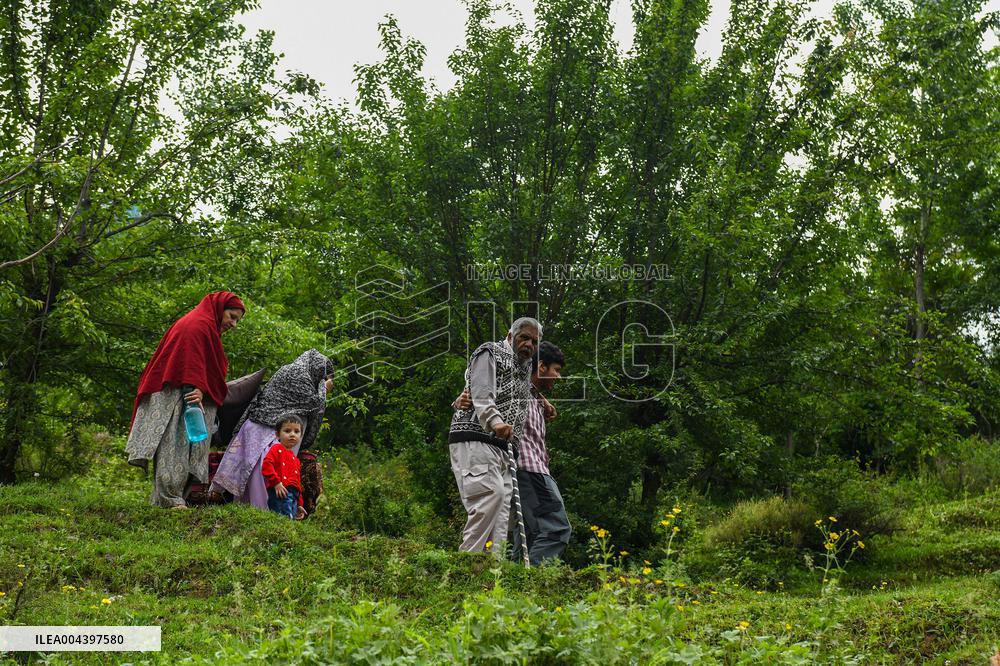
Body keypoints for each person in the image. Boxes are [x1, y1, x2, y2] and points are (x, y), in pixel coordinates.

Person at [126, 291, 246, 508]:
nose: (234, 324)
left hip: (187, 392)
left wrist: (202, 387)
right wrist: (197, 388)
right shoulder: (197, 325)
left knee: (185, 446)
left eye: (237, 320)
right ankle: (171, 499)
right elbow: (189, 361)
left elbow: (202, 362)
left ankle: (169, 499)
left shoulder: (205, 327)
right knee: (174, 446)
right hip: (178, 393)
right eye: (232, 317)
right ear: (220, 309)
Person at [455, 341, 569, 565]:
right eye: (556, 370)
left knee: (528, 534)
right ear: (542, 366)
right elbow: (481, 391)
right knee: (556, 529)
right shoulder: (513, 386)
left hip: (528, 470)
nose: (558, 376)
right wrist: (460, 400)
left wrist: (542, 401)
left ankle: (515, 579)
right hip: (529, 470)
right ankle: (534, 578)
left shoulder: (534, 397)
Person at [448, 317, 539, 553]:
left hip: (504, 449)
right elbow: (481, 391)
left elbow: (519, 389)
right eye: (524, 338)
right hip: (476, 437)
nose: (529, 345)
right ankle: (468, 563)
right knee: (490, 496)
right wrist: (496, 422)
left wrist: (542, 402)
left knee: (501, 515)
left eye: (534, 341)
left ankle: (492, 570)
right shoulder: (489, 352)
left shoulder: (525, 365)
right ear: (510, 336)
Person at [210, 349, 332, 511]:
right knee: (263, 477)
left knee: (250, 474)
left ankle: (249, 511)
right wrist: (323, 389)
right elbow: (314, 405)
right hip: (268, 432)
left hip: (255, 425)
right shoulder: (299, 374)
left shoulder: (287, 369)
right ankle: (263, 513)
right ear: (317, 368)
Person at [262, 414, 308, 520]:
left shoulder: (296, 459)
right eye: (287, 431)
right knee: (282, 519)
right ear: (277, 435)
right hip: (281, 491)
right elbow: (266, 465)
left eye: (296, 431)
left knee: (290, 521)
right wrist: (276, 483)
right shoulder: (276, 449)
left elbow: (297, 482)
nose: (292, 434)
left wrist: (299, 504)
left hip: (294, 496)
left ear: (301, 436)